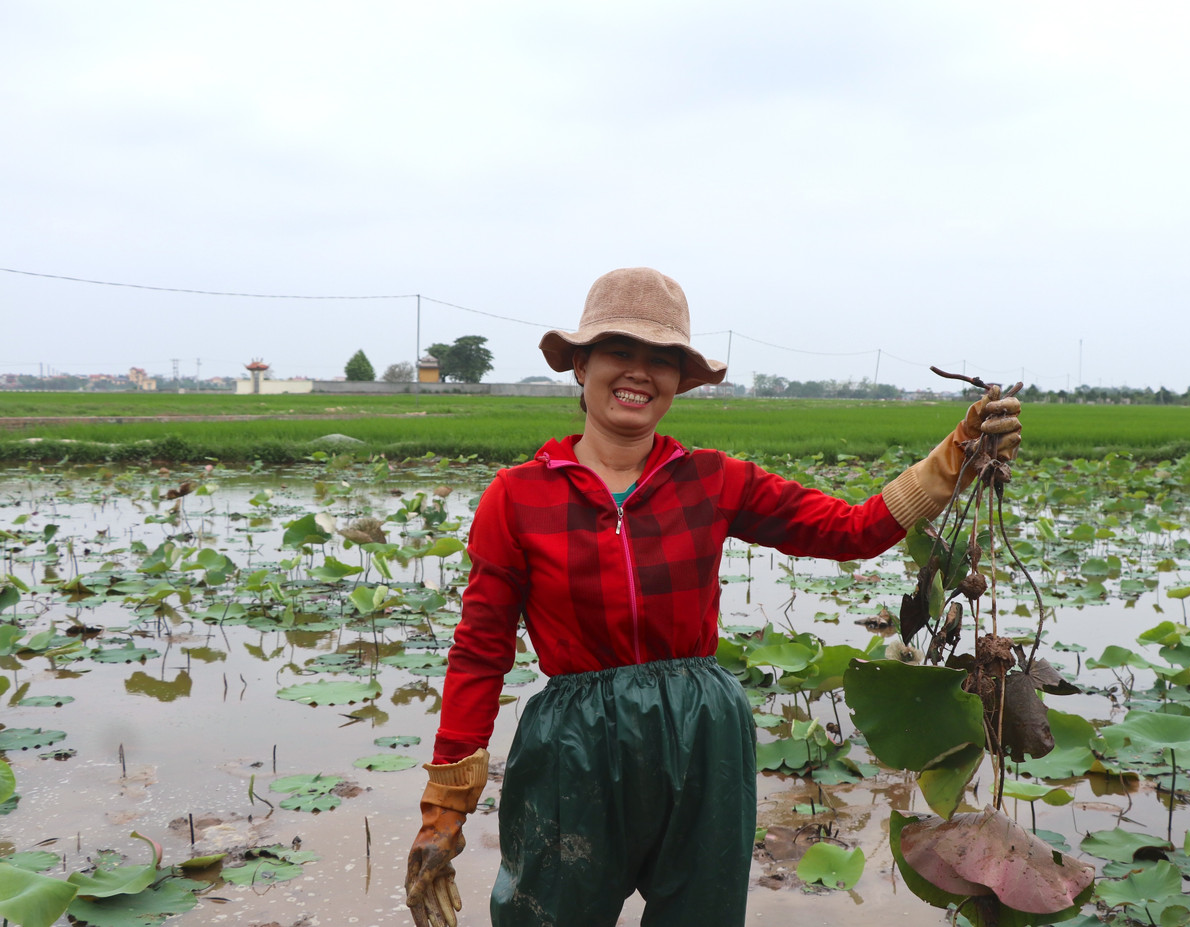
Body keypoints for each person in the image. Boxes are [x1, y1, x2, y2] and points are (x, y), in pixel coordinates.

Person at [404, 267, 1022, 927]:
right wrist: (445, 809)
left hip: (702, 735)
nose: (639, 372)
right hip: (574, 744)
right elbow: (480, 652)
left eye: (661, 358)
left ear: (679, 379)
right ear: (581, 365)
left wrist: (959, 452)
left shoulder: (712, 480)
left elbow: (851, 530)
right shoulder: (518, 496)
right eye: (619, 351)